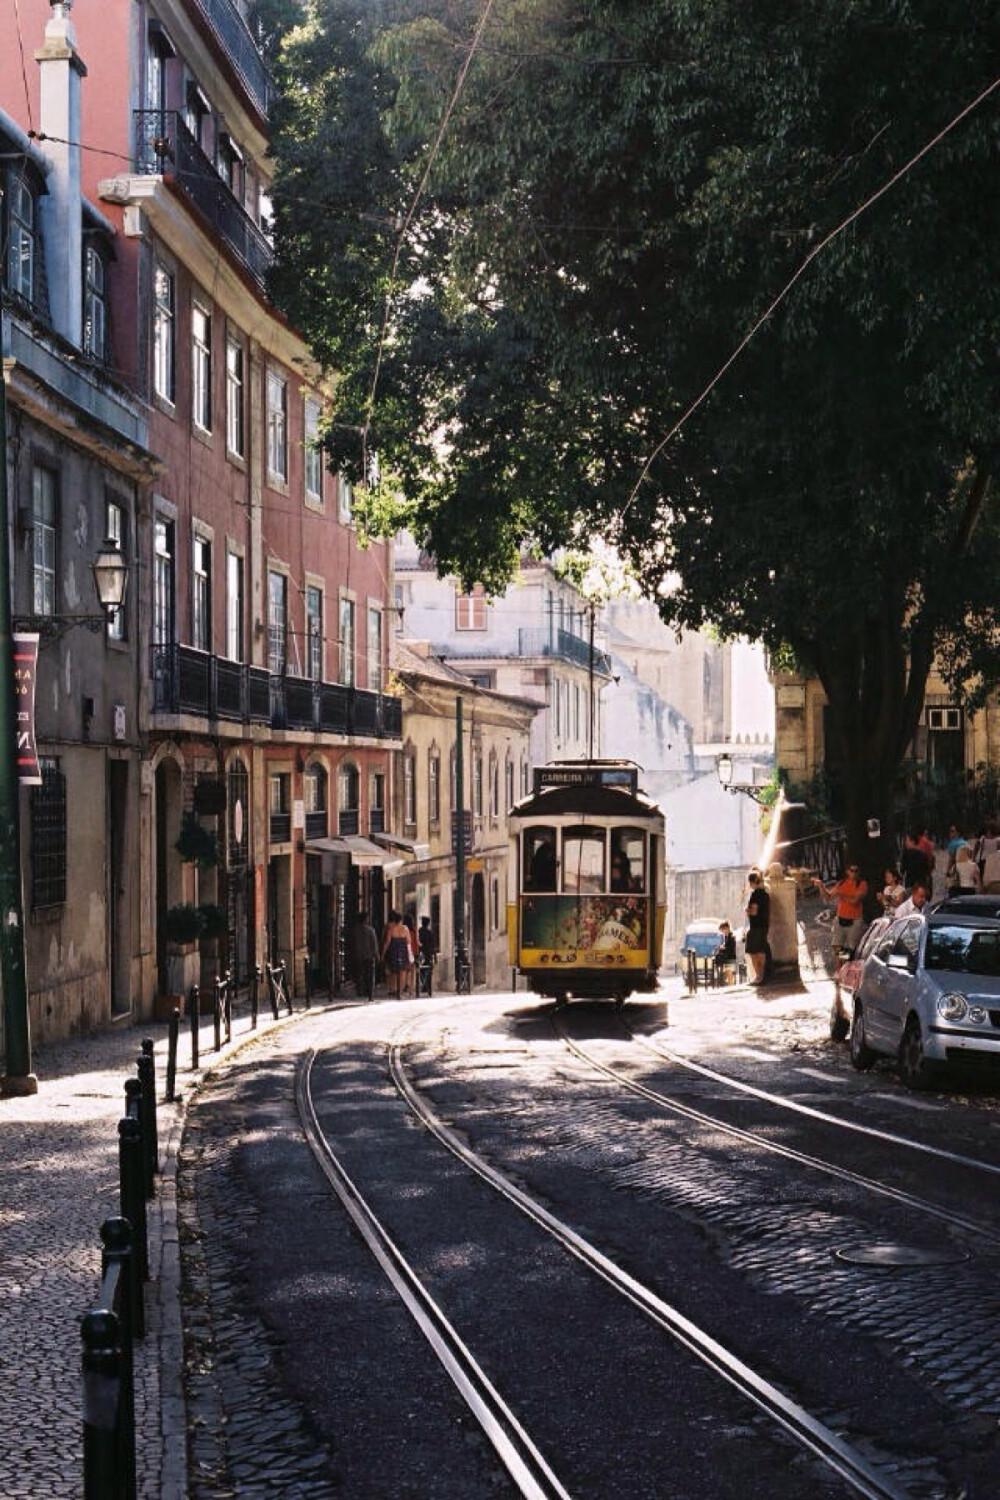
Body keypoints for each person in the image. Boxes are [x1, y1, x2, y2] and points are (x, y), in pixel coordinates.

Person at [814, 862, 868, 966]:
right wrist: (821, 886)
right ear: (848, 872)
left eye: (856, 871)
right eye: (852, 871)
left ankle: (850, 966)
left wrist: (841, 894)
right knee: (837, 946)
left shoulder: (862, 884)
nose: (854, 873)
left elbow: (855, 901)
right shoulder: (841, 883)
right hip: (840, 920)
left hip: (855, 921)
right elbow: (828, 897)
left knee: (853, 948)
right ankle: (842, 968)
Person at [744, 869, 770, 985]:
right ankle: (761, 976)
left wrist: (747, 910)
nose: (749, 885)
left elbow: (754, 912)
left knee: (753, 952)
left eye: (750, 882)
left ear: (753, 881)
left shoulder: (755, 895)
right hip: (764, 925)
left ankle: (758, 976)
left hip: (755, 926)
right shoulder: (765, 893)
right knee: (761, 951)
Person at [381, 910, 413, 1000]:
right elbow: (409, 942)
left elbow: (387, 942)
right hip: (403, 950)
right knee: (402, 971)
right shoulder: (405, 928)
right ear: (401, 919)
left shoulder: (391, 929)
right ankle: (400, 990)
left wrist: (383, 953)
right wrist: (410, 954)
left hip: (393, 950)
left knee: (393, 971)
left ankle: (394, 988)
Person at [349, 910, 379, 1002]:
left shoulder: (354, 930)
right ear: (366, 919)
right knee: (369, 976)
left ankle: (360, 991)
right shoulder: (371, 930)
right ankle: (370, 994)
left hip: (358, 955)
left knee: (359, 974)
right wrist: (377, 955)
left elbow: (351, 943)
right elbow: (374, 944)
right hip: (369, 956)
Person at [417, 915, 437, 991]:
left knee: (421, 970)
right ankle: (427, 986)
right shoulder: (430, 932)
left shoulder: (420, 931)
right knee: (428, 971)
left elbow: (419, 942)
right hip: (429, 954)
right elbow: (433, 945)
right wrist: (435, 957)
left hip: (422, 953)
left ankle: (425, 985)